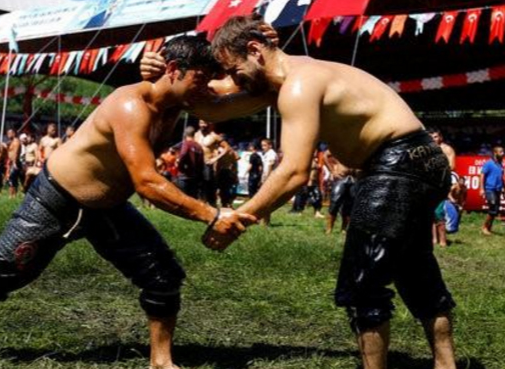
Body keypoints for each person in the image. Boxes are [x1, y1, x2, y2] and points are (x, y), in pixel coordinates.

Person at [0, 36, 256, 369]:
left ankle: (161, 361)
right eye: (202, 78)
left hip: (109, 209)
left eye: (210, 78)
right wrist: (211, 214)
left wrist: (270, 64)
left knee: (162, 275)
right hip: (56, 200)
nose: (208, 86)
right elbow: (147, 183)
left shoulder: (181, 102)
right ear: (175, 71)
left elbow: (239, 92)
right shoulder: (132, 104)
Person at [193, 15, 457, 369]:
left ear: (255, 50)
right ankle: (446, 364)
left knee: (363, 284)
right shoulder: (295, 76)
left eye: (232, 69)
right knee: (415, 269)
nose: (231, 79)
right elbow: (211, 105)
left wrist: (238, 218)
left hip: (397, 163)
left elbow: (294, 172)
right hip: (421, 161)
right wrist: (161, 76)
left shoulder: (299, 85)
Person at [429, 128, 457, 246]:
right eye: (431, 137)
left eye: (435, 136)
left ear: (440, 137)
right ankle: (433, 239)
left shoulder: (447, 149)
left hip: (442, 183)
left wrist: (438, 169)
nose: (433, 139)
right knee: (430, 212)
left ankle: (443, 241)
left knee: (439, 211)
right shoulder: (427, 149)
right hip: (429, 183)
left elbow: (452, 166)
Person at [324, 150, 355, 235]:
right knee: (335, 203)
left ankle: (344, 229)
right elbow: (325, 155)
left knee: (349, 205)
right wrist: (332, 171)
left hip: (353, 178)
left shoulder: (357, 145)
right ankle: (329, 229)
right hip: (340, 177)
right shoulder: (341, 144)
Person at [195, 120, 223, 205]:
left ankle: (211, 204)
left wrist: (215, 159)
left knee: (208, 184)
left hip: (207, 163)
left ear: (209, 124)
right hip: (197, 164)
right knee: (199, 185)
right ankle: (200, 203)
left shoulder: (214, 136)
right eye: (201, 123)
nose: (202, 125)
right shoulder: (196, 134)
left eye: (204, 123)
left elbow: (226, 149)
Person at [479, 145, 505, 236]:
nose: (503, 154)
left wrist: (504, 189)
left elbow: (502, 178)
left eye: (503, 152)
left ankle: (489, 227)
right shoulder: (489, 163)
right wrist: (481, 188)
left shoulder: (501, 164)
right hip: (490, 189)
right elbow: (482, 175)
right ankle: (484, 227)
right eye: (501, 152)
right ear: (495, 153)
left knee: (496, 210)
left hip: (498, 189)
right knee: (493, 207)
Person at [176, 127, 204, 199]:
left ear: (185, 134)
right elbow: (201, 163)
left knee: (183, 198)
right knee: (192, 199)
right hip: (195, 176)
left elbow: (183, 154)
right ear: (194, 134)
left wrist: (180, 165)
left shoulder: (186, 144)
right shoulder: (199, 146)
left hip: (184, 175)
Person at [215, 136, 240, 208]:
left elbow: (218, 163)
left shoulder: (219, 151)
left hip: (221, 171)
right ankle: (227, 203)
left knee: (222, 189)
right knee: (227, 189)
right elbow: (235, 163)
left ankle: (224, 203)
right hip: (229, 171)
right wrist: (235, 173)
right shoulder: (231, 151)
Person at [5, 129, 23, 199]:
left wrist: (14, 163)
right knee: (12, 179)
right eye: (7, 133)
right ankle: (13, 195)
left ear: (14, 133)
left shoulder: (16, 142)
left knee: (12, 179)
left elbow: (16, 153)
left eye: (10, 133)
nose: (8, 135)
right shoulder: (11, 142)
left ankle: (12, 195)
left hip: (15, 162)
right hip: (11, 162)